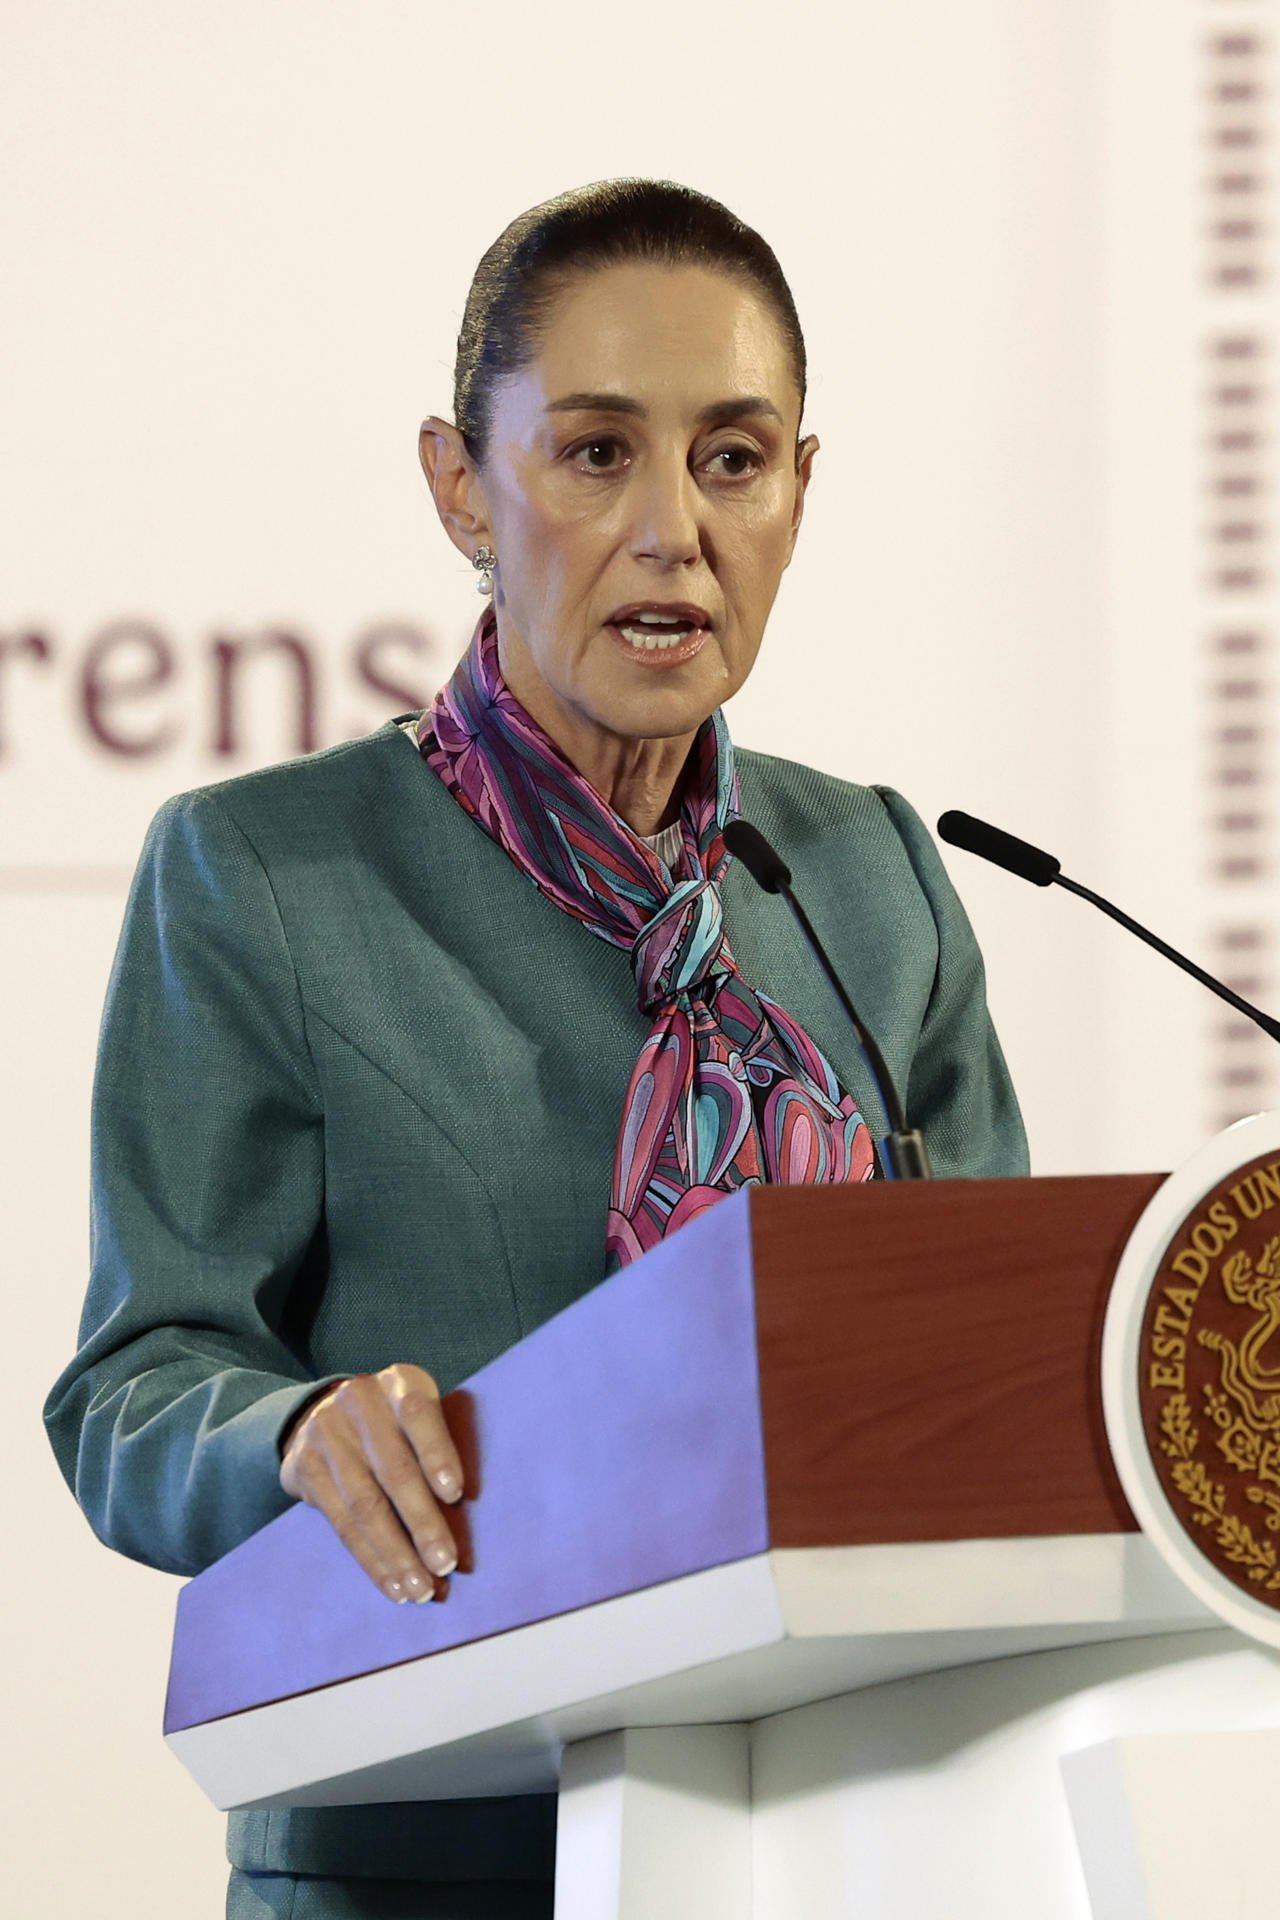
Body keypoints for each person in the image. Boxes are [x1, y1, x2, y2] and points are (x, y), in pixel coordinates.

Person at [44, 178, 1028, 1920]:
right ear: (458, 487)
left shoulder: (875, 879)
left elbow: (1004, 1365)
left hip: (847, 1848)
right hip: (432, 1860)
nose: (673, 529)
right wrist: (293, 1438)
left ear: (804, 488)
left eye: (734, 458)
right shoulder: (267, 872)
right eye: (593, 454)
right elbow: (135, 1387)